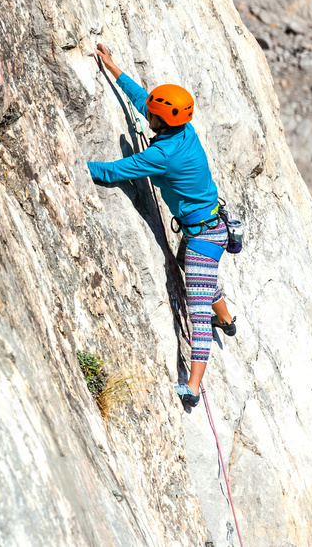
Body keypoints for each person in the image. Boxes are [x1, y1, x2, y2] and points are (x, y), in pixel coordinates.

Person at [86, 43, 236, 409]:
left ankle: (195, 386)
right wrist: (114, 68)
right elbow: (148, 105)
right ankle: (228, 321)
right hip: (211, 226)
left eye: (153, 114)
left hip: (202, 238)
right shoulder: (183, 131)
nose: (148, 114)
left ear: (161, 121)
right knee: (202, 279)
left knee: (197, 309)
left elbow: (113, 173)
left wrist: (74, 163)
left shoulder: (161, 155)